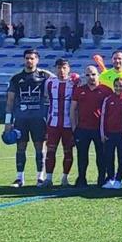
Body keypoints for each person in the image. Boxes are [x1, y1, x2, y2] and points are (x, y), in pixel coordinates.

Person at [4, 49, 54, 188]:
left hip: (39, 118)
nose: (29, 61)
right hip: (21, 119)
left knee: (40, 148)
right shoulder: (16, 78)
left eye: (32, 58)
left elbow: (60, 80)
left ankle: (40, 178)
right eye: (27, 58)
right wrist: (8, 122)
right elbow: (10, 102)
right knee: (20, 147)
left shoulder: (44, 76)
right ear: (24, 60)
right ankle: (19, 179)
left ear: (37, 60)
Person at [69, 65, 109, 188]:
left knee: (101, 156)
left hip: (99, 129)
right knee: (82, 156)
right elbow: (73, 109)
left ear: (98, 74)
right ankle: (81, 178)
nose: (91, 77)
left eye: (93, 74)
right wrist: (74, 127)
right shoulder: (79, 90)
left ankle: (101, 179)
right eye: (88, 75)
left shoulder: (106, 90)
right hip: (83, 128)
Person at [40, 59, 76, 188]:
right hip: (53, 123)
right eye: (59, 67)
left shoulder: (74, 82)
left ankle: (65, 178)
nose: (62, 70)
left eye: (64, 67)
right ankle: (48, 178)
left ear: (69, 68)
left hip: (68, 124)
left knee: (68, 151)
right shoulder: (49, 83)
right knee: (51, 151)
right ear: (56, 68)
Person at [99, 78, 122, 190]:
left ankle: (118, 180)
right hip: (109, 134)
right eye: (116, 85)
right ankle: (110, 178)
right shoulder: (108, 99)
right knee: (109, 157)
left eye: (121, 85)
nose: (118, 88)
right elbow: (103, 117)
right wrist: (103, 133)